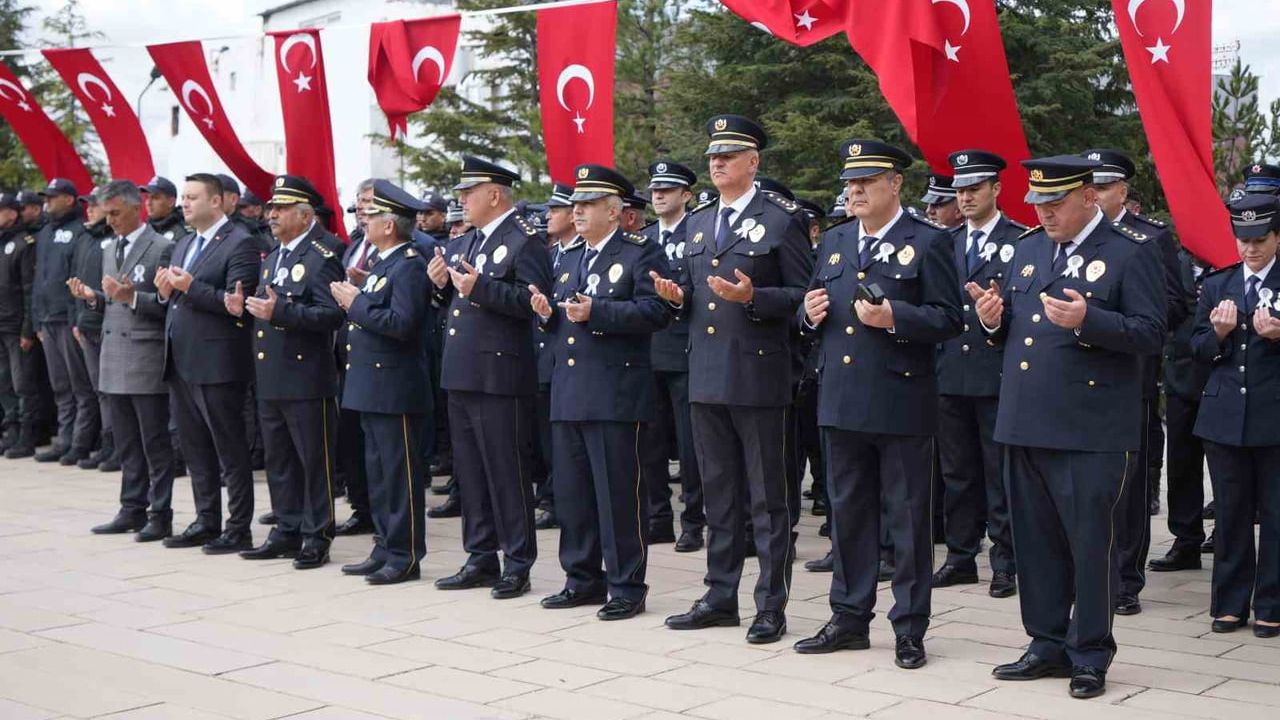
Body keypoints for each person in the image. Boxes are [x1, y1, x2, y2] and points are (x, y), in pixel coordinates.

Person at [972, 155, 1165, 699]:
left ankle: (1090, 652)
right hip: (1025, 420)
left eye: (1055, 204)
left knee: (1090, 546)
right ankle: (1046, 643)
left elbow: (1152, 332)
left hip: (1090, 427)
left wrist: (1090, 321)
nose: (1045, 214)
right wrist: (992, 322)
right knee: (1035, 544)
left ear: (1087, 196)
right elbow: (1019, 331)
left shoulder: (1131, 251)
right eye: (1038, 204)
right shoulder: (1030, 248)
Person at [793, 139, 962, 669]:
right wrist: (807, 314)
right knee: (848, 515)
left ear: (895, 184)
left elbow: (949, 318)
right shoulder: (837, 238)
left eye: (867, 181)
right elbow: (812, 310)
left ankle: (909, 627)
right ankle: (848, 617)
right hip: (841, 399)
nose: (856, 191)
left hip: (900, 400)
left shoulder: (928, 241)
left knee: (907, 520)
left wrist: (896, 319)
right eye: (851, 182)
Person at [654, 115, 812, 644]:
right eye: (713, 156)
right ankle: (720, 595)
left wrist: (754, 298)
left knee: (768, 500)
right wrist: (676, 298)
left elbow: (805, 297)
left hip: (759, 376)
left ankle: (770, 605)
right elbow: (693, 293)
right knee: (718, 496)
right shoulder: (699, 221)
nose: (717, 163)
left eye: (728, 155)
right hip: (705, 374)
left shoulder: (781, 220)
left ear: (753, 162)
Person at [529, 164, 668, 619]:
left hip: (614, 393)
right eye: (576, 204)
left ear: (613, 211)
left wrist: (599, 312)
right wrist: (547, 315)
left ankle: (626, 585)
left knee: (617, 497)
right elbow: (564, 322)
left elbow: (656, 311)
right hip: (570, 391)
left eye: (587, 204)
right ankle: (582, 578)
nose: (578, 211)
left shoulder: (639, 252)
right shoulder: (568, 256)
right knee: (573, 495)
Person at [430, 156, 551, 599]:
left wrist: (479, 288)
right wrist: (439, 285)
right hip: (462, 370)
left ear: (495, 194)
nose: (462, 200)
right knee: (471, 472)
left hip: (500, 373)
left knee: (506, 471)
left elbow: (534, 302)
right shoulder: (465, 242)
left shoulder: (525, 240)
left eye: (469, 193)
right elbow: (452, 304)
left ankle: (517, 562)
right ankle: (480, 555)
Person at [1082, 148, 1184, 615]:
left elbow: (1174, 306)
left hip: (1129, 376)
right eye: (1091, 187)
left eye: (1104, 187)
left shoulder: (1149, 239)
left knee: (1129, 486)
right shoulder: (1073, 237)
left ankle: (1125, 579)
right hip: (1075, 380)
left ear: (1122, 191)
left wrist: (1111, 320)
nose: (1096, 195)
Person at [231, 176, 345, 569]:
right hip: (272, 374)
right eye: (271, 208)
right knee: (279, 462)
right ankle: (286, 528)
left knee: (313, 462)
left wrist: (279, 311)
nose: (272, 215)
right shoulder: (274, 255)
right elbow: (266, 309)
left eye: (281, 209)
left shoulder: (323, 256)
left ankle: (316, 535)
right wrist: (245, 310)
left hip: (306, 377)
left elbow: (331, 315)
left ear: (305, 216)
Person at [932, 149, 1024, 599]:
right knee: (957, 472)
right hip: (950, 371)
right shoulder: (944, 241)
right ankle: (960, 555)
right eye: (960, 190)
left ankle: (1005, 561)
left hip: (996, 374)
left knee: (998, 472)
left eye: (974, 188)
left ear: (995, 189)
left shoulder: (1019, 240)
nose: (965, 197)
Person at [330, 180, 432, 585]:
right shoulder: (383, 263)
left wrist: (356, 303)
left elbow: (402, 324)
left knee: (399, 475)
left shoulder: (408, 265)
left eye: (371, 215)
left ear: (389, 225)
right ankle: (384, 546)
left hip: (395, 388)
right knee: (378, 473)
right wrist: (361, 296)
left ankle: (405, 554)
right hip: (372, 386)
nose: (364, 220)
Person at [1189, 194, 1280, 639]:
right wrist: (1218, 334)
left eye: (1259, 239)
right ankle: (1229, 603)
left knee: (1276, 515)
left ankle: (1272, 604)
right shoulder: (1218, 283)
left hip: (1274, 417)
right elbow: (1195, 349)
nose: (1250, 249)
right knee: (1230, 513)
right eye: (1243, 239)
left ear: (1277, 237)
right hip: (1225, 417)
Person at [158, 173, 261, 554]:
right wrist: (165, 292)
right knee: (194, 447)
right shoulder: (185, 243)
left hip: (218, 361)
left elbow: (237, 305)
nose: (184, 203)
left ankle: (238, 527)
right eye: (183, 197)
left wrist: (189, 287)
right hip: (180, 359)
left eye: (192, 197)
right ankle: (206, 520)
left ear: (216, 201)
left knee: (229, 448)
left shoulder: (240, 242)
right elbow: (174, 298)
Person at [75, 180, 175, 541]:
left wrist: (131, 297)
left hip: (145, 356)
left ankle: (159, 513)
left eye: (116, 213)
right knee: (126, 441)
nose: (111, 220)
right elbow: (112, 301)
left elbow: (167, 305)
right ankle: (131, 508)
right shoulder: (109, 247)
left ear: (137, 208)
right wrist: (93, 298)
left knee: (154, 442)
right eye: (107, 214)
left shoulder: (162, 247)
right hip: (114, 356)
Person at [639, 160, 705, 552]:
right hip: (648, 350)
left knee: (690, 444)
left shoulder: (698, 231)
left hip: (684, 350)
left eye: (667, 189)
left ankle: (693, 521)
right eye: (655, 190)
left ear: (686, 195)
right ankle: (658, 517)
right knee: (651, 442)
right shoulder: (644, 238)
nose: (659, 195)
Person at [32, 178, 98, 465]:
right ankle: (64, 438)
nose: (47, 202)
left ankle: (81, 442)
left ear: (69, 199)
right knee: (60, 385)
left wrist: (76, 319)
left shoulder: (80, 231)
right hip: (47, 319)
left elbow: (78, 276)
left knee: (80, 385)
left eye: (53, 197)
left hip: (67, 318)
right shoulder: (45, 232)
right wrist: (36, 319)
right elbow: (38, 279)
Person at [531, 183, 577, 532]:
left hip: (571, 361)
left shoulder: (580, 254)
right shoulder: (549, 255)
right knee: (547, 440)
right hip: (544, 358)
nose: (549, 215)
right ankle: (551, 497)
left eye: (556, 210)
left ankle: (562, 501)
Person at [333, 180, 378, 536]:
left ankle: (380, 514)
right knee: (352, 437)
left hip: (379, 359)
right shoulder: (353, 247)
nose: (362, 208)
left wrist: (367, 284)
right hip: (348, 353)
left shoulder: (411, 248)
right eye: (360, 201)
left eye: (370, 202)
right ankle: (361, 507)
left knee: (378, 446)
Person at [70, 187, 117, 472]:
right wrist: (77, 320)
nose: (89, 208)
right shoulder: (86, 238)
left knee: (112, 391)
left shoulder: (114, 239)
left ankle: (116, 446)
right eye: (87, 204)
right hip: (86, 323)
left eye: (95, 204)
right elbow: (74, 283)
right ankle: (106, 443)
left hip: (108, 325)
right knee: (98, 389)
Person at [0, 193, 39, 458]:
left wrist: (27, 328)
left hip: (16, 326)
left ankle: (27, 436)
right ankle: (10, 431)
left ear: (12, 214)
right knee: (4, 382)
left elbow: (29, 290)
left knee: (22, 382)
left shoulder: (24, 244)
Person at [142, 176, 187, 241]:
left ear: (171, 202)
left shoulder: (183, 232)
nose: (148, 203)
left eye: (155, 198)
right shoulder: (143, 230)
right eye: (147, 197)